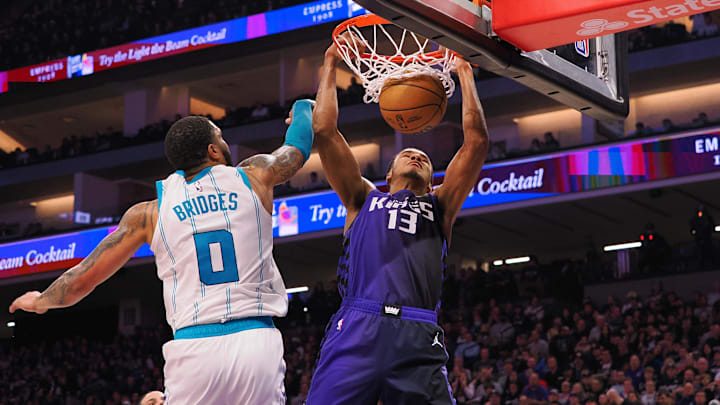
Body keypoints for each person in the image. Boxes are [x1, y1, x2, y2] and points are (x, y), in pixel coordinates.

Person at [9, 102, 315, 404]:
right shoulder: (255, 175)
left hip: (193, 348)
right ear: (212, 150)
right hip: (254, 340)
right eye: (220, 137)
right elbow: (297, 148)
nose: (224, 142)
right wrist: (303, 108)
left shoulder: (149, 213)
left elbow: (80, 282)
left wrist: (41, 300)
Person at [306, 36, 489, 404]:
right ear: (386, 177)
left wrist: (465, 74)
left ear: (434, 179)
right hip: (358, 324)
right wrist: (329, 64)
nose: (416, 157)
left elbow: (476, 143)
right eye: (407, 153)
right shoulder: (362, 198)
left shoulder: (440, 206)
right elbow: (325, 132)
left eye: (423, 156)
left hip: (417, 332)